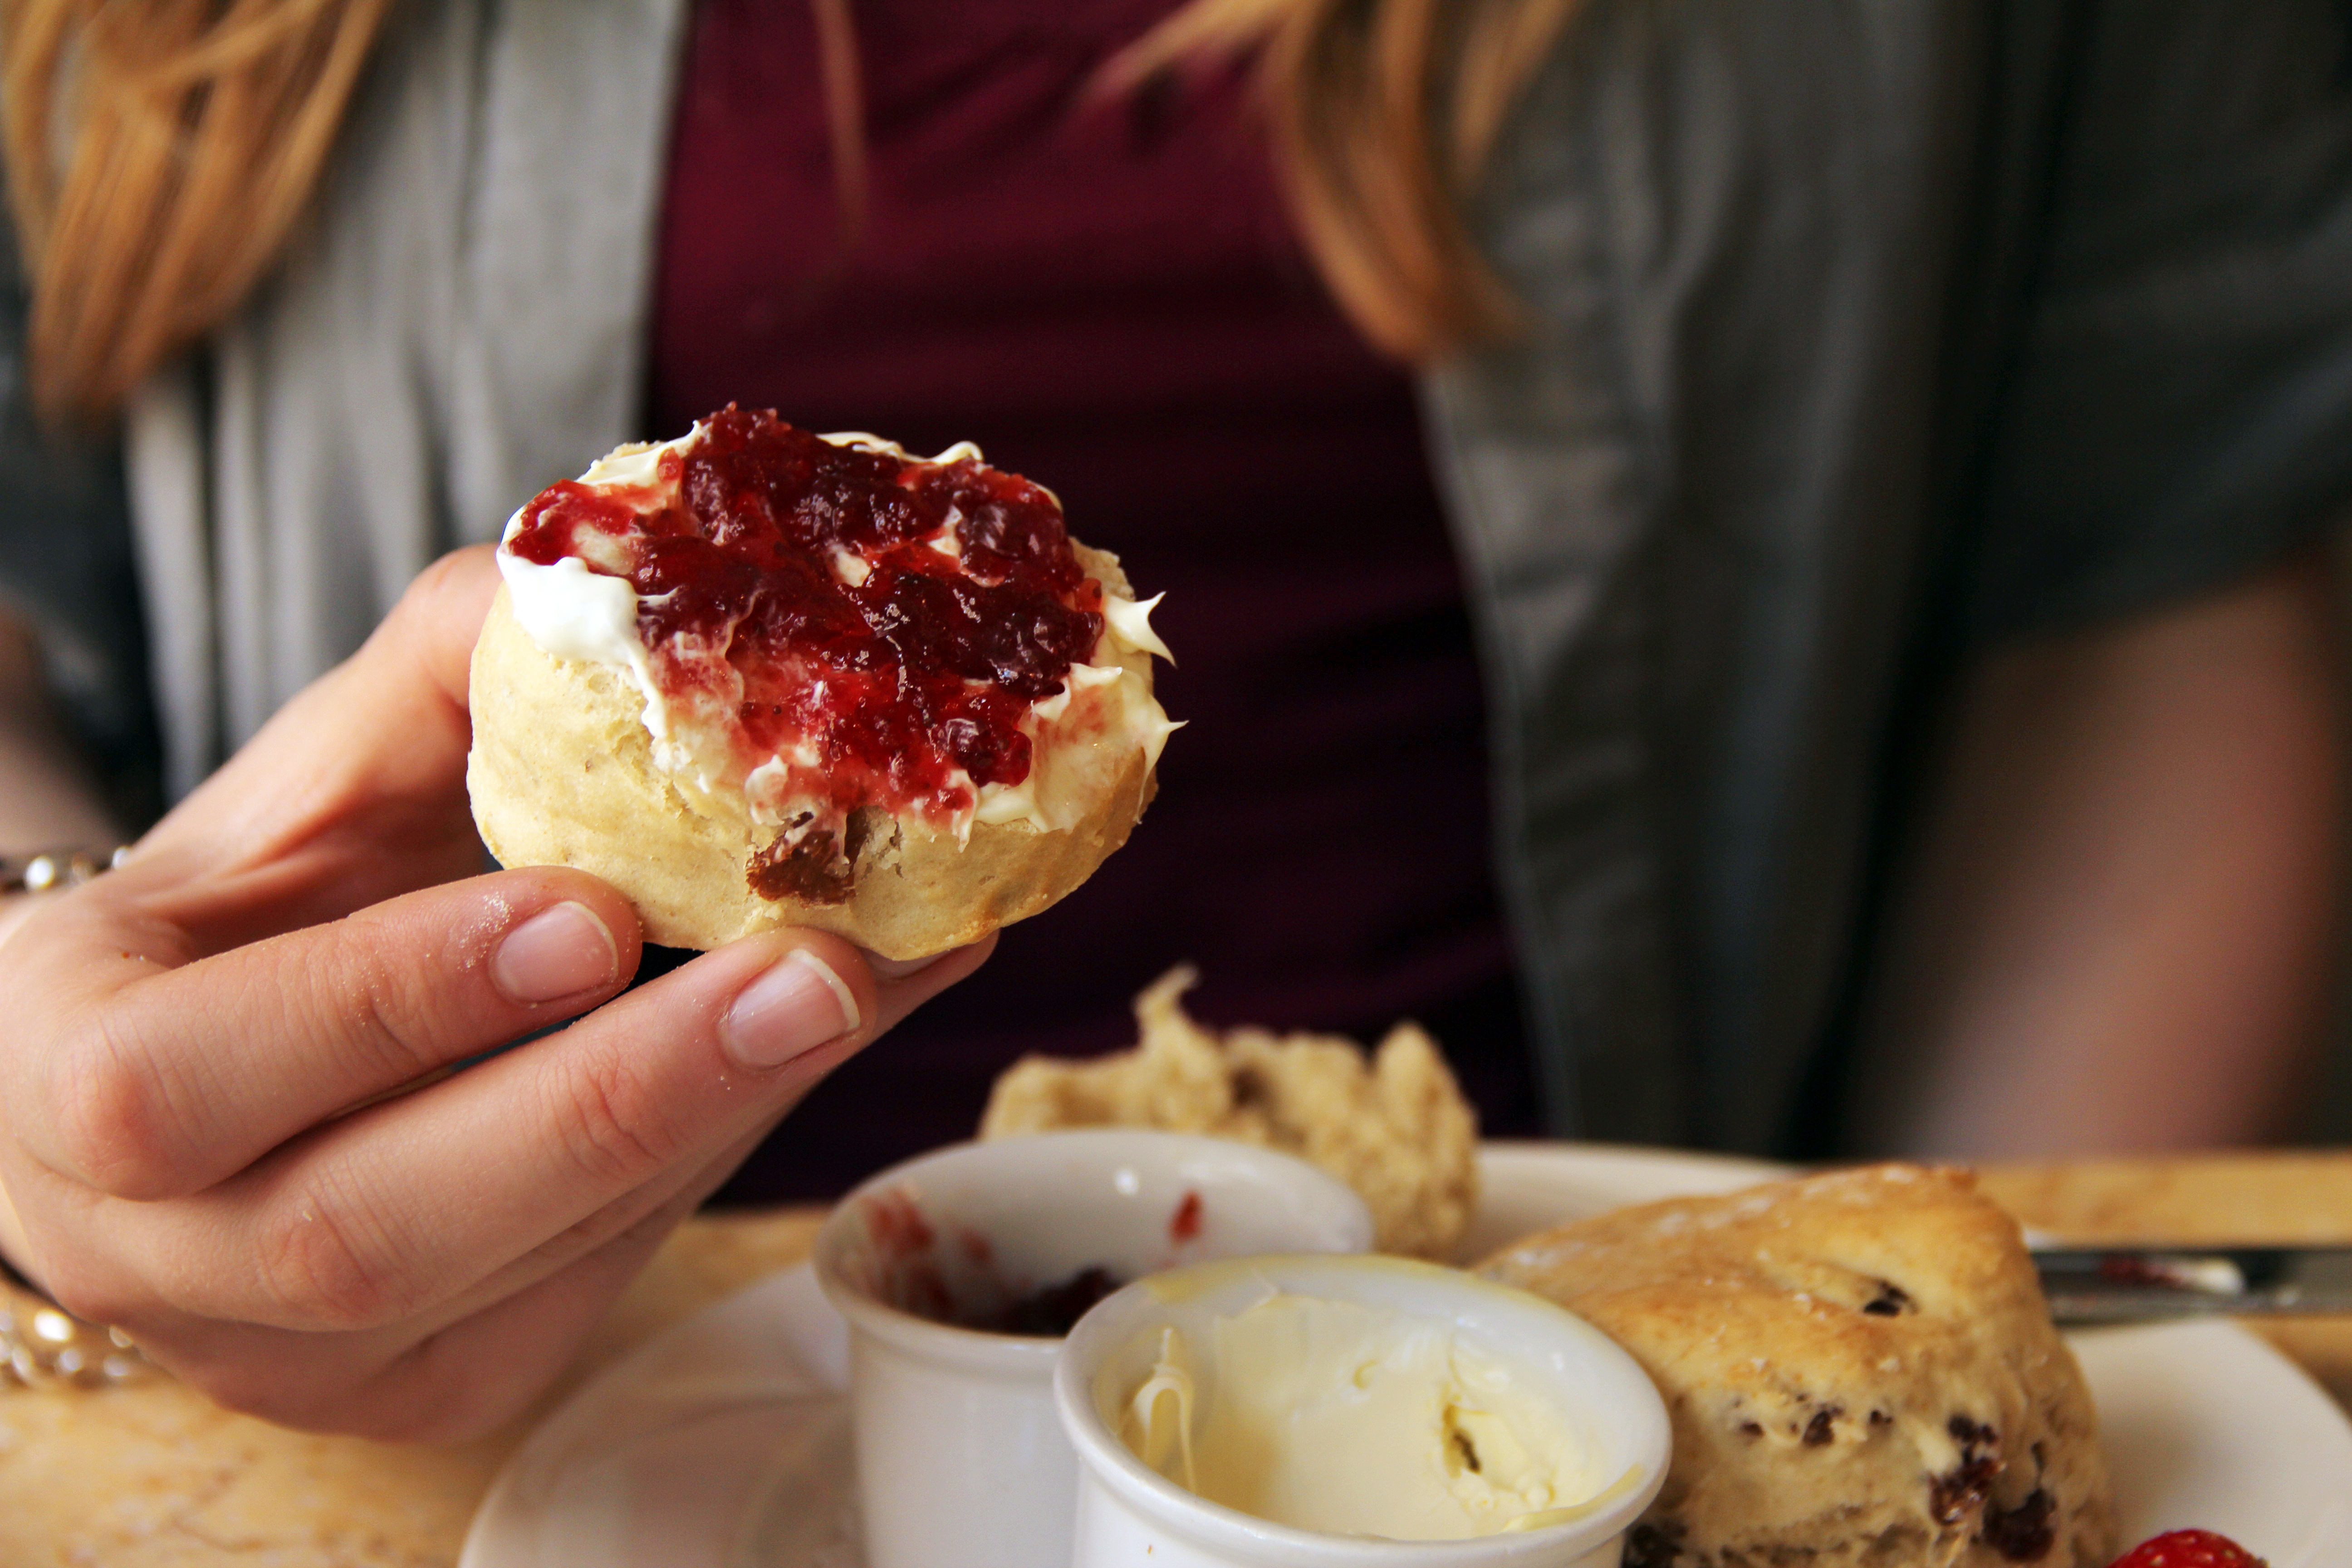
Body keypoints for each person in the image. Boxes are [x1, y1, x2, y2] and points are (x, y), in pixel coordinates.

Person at [2, 0, 2347, 1437]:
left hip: (1576, 1294)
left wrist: (1926, 1365)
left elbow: (2145, 555)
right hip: (507, 1417)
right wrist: (51, 1065)